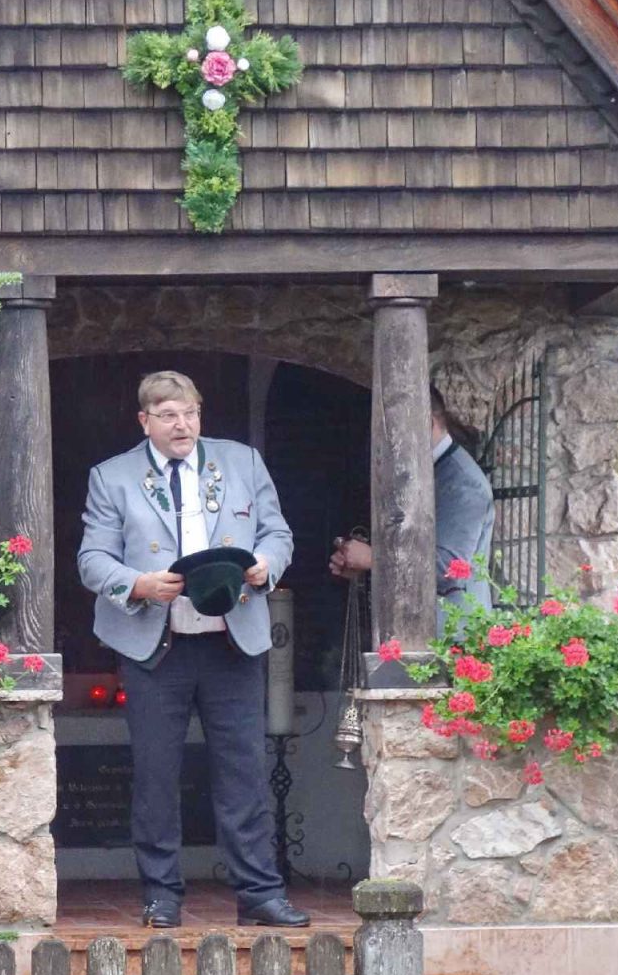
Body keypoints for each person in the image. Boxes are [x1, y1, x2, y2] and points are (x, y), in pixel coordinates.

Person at [77, 370, 306, 930]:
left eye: (191, 413)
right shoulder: (112, 476)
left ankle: (260, 893)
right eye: (169, 416)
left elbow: (278, 534)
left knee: (244, 772)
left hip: (232, 641)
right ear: (145, 421)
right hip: (157, 647)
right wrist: (138, 584)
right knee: (157, 776)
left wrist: (267, 564)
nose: (183, 425)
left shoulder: (243, 462)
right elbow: (92, 560)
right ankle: (161, 894)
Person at [330, 387, 495, 625]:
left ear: (428, 423)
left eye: (399, 429)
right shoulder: (426, 472)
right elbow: (411, 545)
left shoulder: (464, 484)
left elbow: (449, 568)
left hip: (453, 635)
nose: (392, 440)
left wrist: (373, 558)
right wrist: (362, 562)